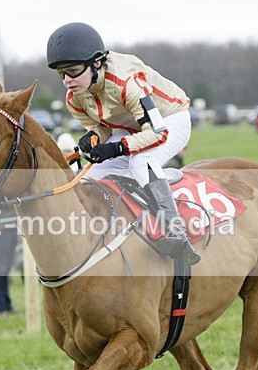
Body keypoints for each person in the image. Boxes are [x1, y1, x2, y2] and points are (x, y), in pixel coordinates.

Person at [46, 22, 200, 264]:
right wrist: (93, 137)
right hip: (131, 127)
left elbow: (157, 133)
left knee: (140, 161)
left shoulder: (126, 82)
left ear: (96, 64)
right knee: (91, 176)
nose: (67, 80)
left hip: (170, 120)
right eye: (61, 74)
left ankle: (176, 231)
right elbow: (103, 127)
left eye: (73, 71)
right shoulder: (75, 98)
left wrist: (117, 147)